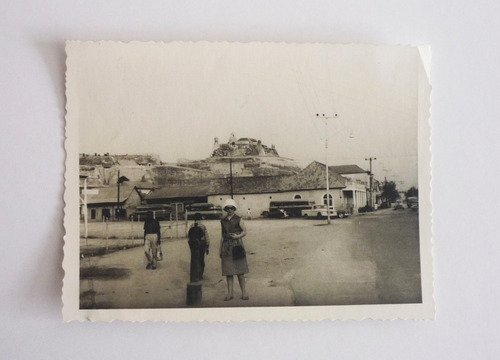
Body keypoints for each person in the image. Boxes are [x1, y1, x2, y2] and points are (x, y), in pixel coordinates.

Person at [219, 199, 249, 301]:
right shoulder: (222, 221)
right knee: (229, 272)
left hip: (237, 245)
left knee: (240, 271)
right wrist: (220, 250)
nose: (230, 210)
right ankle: (230, 293)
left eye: (232, 208)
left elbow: (245, 232)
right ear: (226, 209)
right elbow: (222, 236)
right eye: (228, 208)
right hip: (226, 247)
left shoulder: (239, 219)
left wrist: (237, 236)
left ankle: (244, 293)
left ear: (234, 209)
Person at [188, 212, 210, 283]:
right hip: (201, 243)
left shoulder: (191, 226)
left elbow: (189, 236)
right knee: (201, 259)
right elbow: (206, 236)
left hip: (193, 244)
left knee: (194, 259)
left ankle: (195, 274)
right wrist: (207, 246)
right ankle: (200, 274)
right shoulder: (203, 226)